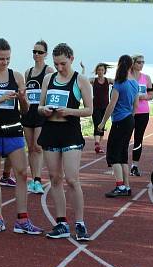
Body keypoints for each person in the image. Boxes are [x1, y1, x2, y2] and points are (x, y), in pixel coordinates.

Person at [0, 38, 43, 235]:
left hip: (14, 129)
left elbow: (24, 111)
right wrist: (0, 99)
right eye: (1, 58)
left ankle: (22, 219)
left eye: (8, 58)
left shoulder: (16, 76)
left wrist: (23, 98)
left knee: (22, 173)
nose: (5, 62)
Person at [38, 43, 94, 240]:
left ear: (71, 58)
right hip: (51, 130)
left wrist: (69, 111)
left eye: (63, 63)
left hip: (70, 132)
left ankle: (80, 223)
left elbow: (89, 110)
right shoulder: (48, 78)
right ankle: (61, 223)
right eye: (56, 64)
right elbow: (40, 106)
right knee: (54, 178)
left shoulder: (81, 80)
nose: (59, 67)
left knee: (72, 179)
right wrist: (43, 110)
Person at [97, 55, 138, 198]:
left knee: (113, 155)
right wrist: (130, 116)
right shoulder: (134, 83)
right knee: (123, 155)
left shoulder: (119, 83)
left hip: (120, 121)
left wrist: (102, 122)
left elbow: (111, 104)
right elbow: (136, 106)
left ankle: (120, 186)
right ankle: (126, 186)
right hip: (129, 120)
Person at [20, 40, 53, 194]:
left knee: (38, 147)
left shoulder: (49, 71)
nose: (36, 54)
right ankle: (33, 180)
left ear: (45, 54)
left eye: (39, 52)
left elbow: (52, 91)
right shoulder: (28, 72)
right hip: (28, 113)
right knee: (31, 148)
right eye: (34, 51)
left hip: (40, 113)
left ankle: (38, 180)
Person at [129, 54, 153, 177]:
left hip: (143, 112)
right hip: (128, 112)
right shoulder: (127, 77)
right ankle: (121, 164)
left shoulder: (147, 78)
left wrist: (143, 97)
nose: (141, 64)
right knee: (125, 138)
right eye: (139, 62)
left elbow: (151, 95)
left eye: (143, 62)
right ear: (132, 63)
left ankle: (135, 165)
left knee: (138, 139)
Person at [90, 63, 110, 154]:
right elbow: (82, 79)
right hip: (95, 106)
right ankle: (97, 143)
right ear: (96, 71)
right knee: (97, 124)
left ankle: (99, 145)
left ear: (104, 71)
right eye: (99, 70)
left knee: (102, 125)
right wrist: (83, 69)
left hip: (106, 107)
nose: (100, 72)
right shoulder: (93, 80)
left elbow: (120, 81)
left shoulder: (108, 80)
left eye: (102, 70)